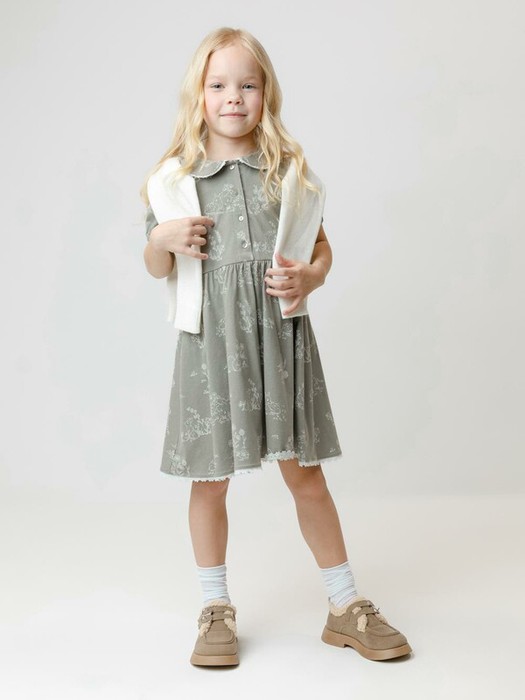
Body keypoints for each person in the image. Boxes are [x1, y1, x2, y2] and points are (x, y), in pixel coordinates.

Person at [140, 26, 412, 667]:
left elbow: (320, 248)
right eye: (218, 85)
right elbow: (156, 267)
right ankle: (215, 608)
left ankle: (344, 605)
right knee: (210, 481)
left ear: (266, 94)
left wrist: (310, 277)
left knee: (305, 475)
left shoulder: (288, 175)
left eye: (247, 84)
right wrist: (161, 241)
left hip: (278, 337)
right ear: (199, 95)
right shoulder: (174, 181)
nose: (233, 97)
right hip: (211, 343)